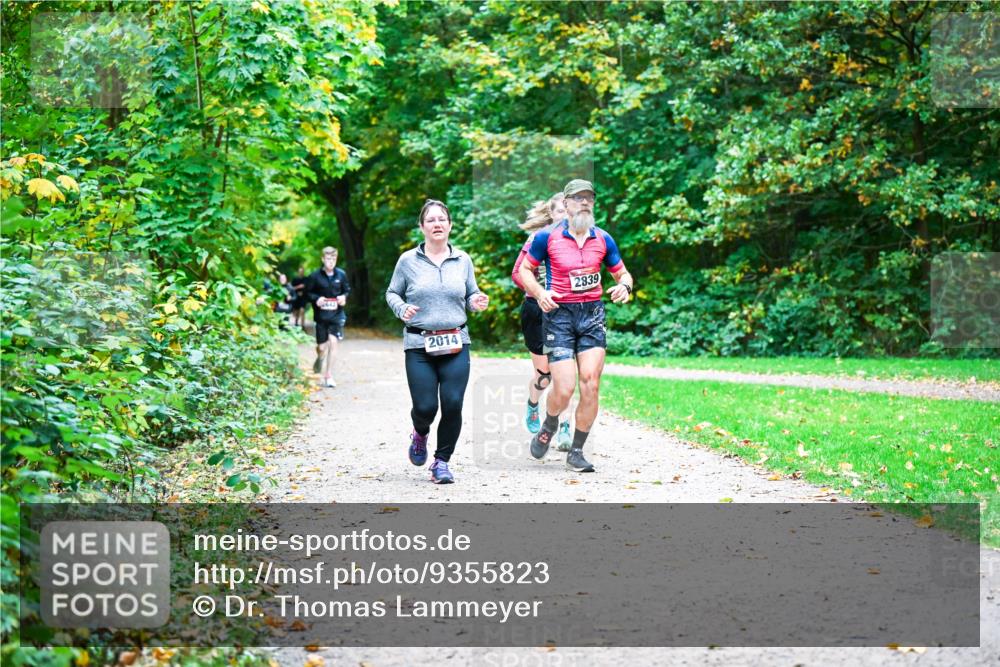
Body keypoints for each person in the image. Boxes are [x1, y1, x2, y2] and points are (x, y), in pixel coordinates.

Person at [517, 179, 633, 473]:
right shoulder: (547, 238)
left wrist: (625, 287)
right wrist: (541, 293)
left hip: (592, 314)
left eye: (589, 198)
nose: (584, 202)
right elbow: (524, 270)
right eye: (578, 198)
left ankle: (577, 451)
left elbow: (622, 273)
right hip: (559, 315)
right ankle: (550, 422)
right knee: (565, 388)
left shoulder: (604, 239)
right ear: (565, 204)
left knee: (591, 383)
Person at [386, 199, 490, 484]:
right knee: (425, 407)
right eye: (431, 220)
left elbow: (471, 293)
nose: (437, 224)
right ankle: (420, 433)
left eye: (442, 219)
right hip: (419, 345)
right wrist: (401, 308)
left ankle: (441, 462)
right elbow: (392, 293)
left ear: (450, 225)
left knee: (453, 403)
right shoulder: (408, 261)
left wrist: (476, 301)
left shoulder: (463, 260)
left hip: (456, 342)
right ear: (422, 227)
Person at [511, 193, 574, 451]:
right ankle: (533, 403)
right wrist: (540, 292)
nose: (565, 216)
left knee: (566, 375)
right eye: (560, 211)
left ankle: (565, 426)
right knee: (545, 375)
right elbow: (517, 273)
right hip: (537, 310)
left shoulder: (581, 241)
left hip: (568, 313)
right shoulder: (539, 238)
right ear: (552, 214)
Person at [305, 247, 350, 388]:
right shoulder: (314, 276)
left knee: (333, 342)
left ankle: (328, 375)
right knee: (322, 347)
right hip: (321, 317)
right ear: (323, 259)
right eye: (328, 259)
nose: (331, 262)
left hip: (337, 315)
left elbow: (347, 290)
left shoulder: (341, 275)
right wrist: (317, 299)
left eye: (333, 259)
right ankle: (319, 357)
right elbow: (307, 294)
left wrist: (344, 297)